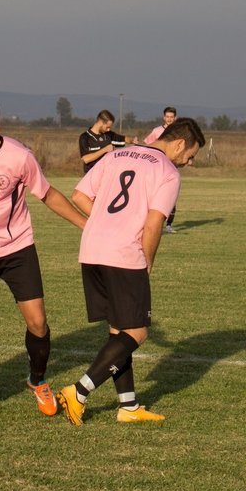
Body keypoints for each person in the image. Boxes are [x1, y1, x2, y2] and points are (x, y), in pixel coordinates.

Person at [0, 91, 88, 422]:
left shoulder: (18, 155)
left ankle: (37, 380)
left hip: (18, 247)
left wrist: (86, 225)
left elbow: (48, 194)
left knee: (38, 322)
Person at [57, 117, 205, 425]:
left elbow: (79, 196)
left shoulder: (116, 154)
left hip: (92, 249)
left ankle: (128, 406)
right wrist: (147, 262)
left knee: (119, 330)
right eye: (190, 155)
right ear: (178, 143)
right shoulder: (166, 171)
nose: (188, 163)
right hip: (124, 254)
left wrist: (105, 222)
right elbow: (153, 224)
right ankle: (79, 391)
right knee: (137, 331)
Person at [144, 107, 180, 233]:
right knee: (153, 195)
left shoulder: (179, 131)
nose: (169, 119)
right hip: (157, 168)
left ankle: (168, 225)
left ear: (175, 118)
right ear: (164, 117)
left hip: (171, 168)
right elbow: (147, 144)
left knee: (171, 196)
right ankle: (149, 222)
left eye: (172, 117)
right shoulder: (157, 131)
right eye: (167, 117)